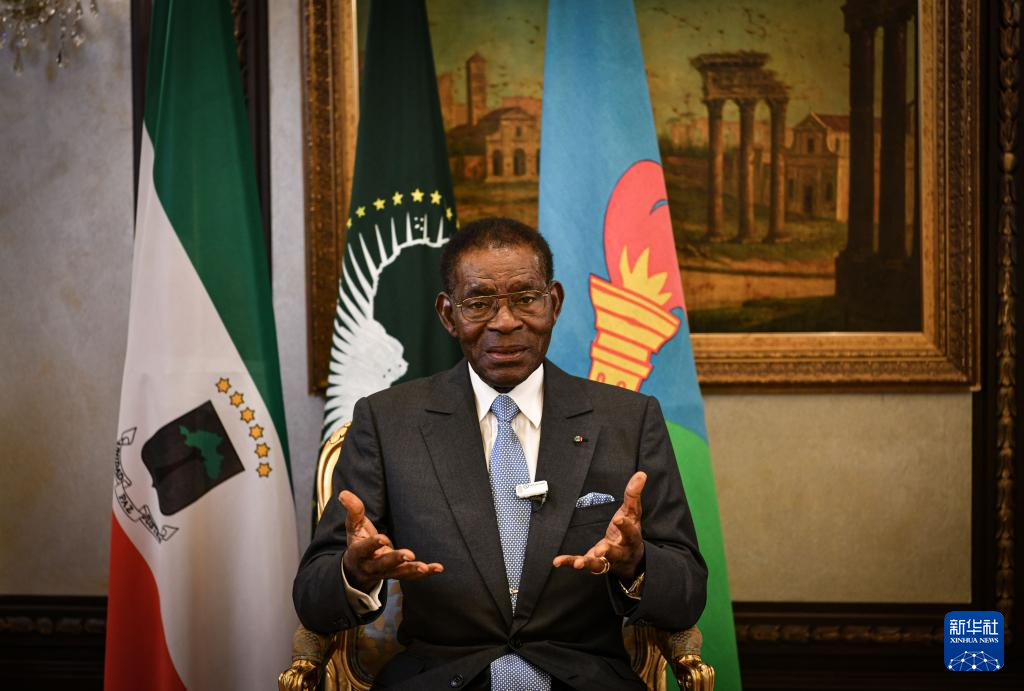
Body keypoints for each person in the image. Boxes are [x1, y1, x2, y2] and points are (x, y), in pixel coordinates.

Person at [293, 217, 707, 690]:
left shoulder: (628, 420)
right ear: (448, 314)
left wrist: (637, 564)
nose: (505, 322)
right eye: (479, 303)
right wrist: (354, 572)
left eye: (525, 298)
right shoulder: (388, 422)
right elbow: (312, 597)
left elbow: (689, 590)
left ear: (554, 303)